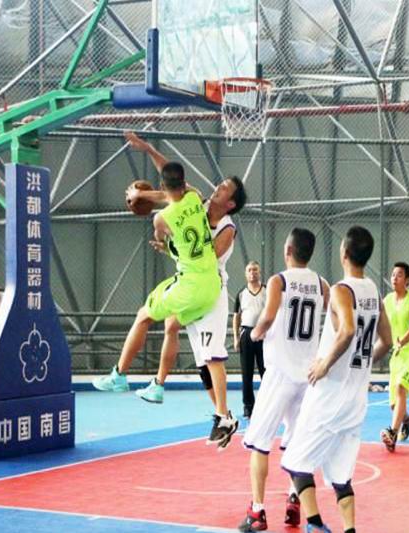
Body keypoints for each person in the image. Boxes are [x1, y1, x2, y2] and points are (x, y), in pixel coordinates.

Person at [118, 131, 246, 445]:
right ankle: (193, 402)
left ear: (230, 203)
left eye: (223, 189)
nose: (217, 188)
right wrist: (148, 149)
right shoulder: (197, 202)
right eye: (219, 185)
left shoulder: (227, 229)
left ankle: (221, 415)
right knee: (187, 345)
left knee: (212, 357)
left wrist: (170, 244)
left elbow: (205, 256)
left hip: (211, 289)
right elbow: (172, 180)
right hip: (191, 284)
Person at [280, 226, 392, 533]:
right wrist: (363, 363)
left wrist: (325, 364)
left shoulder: (343, 290)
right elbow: (386, 340)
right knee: (341, 476)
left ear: (344, 252)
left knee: (295, 463)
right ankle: (349, 529)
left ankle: (315, 525)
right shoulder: (374, 292)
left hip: (329, 396)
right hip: (355, 401)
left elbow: (348, 330)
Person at [92, 158, 221, 404]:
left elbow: (162, 233)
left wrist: (139, 196)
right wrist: (144, 194)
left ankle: (119, 374)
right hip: (211, 285)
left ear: (162, 185)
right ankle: (157, 386)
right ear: (184, 182)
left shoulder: (161, 218)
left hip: (189, 285)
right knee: (171, 325)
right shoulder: (195, 197)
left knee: (143, 315)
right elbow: (172, 198)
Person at [239, 228, 329, 532]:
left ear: (288, 250)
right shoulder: (322, 284)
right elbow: (334, 318)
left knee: (260, 443)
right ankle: (293, 500)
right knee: (297, 442)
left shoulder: (279, 281)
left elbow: (267, 316)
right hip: (307, 377)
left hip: (279, 373)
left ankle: (257, 511)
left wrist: (254, 334)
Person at [380, 262, 409, 452]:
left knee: (401, 388)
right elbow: (380, 324)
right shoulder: (387, 300)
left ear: (407, 280)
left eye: (399, 275)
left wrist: (400, 342)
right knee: (394, 405)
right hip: (398, 355)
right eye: (393, 275)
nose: (394, 278)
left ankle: (392, 433)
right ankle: (408, 420)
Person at [234, 261, 267, 419]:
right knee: (246, 374)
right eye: (249, 270)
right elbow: (236, 316)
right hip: (246, 334)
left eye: (255, 270)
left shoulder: (267, 291)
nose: (252, 273)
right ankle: (248, 407)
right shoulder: (241, 293)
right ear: (245, 274)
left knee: (266, 373)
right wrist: (236, 337)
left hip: (264, 334)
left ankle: (267, 406)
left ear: (259, 272)